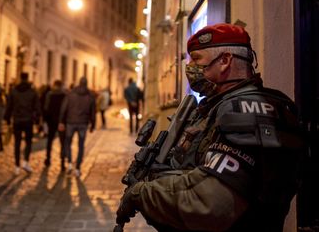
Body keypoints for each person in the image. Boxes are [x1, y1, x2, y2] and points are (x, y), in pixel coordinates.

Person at [116, 23, 304, 231]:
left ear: (224, 61)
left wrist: (141, 193)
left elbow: (209, 202)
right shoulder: (216, 107)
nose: (190, 68)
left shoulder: (247, 111)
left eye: (197, 59)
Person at [4, 72, 41, 174]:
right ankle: (25, 162)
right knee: (28, 142)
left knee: (17, 143)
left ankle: (16, 166)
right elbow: (37, 107)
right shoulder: (33, 91)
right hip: (28, 120)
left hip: (17, 120)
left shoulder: (14, 91)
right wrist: (37, 119)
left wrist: (7, 118)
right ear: (27, 78)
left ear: (20, 78)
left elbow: (9, 105)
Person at [59, 77, 96, 177]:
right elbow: (93, 112)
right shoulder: (90, 95)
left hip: (70, 122)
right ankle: (78, 168)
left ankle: (70, 163)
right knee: (81, 145)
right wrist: (93, 124)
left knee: (68, 142)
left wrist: (61, 121)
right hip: (83, 123)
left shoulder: (71, 94)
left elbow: (64, 108)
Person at [43, 80, 67, 170]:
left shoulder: (50, 95)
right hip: (60, 121)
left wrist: (46, 120)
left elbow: (46, 108)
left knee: (50, 141)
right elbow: (66, 109)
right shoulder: (64, 95)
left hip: (51, 121)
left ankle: (48, 159)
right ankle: (62, 163)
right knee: (62, 142)